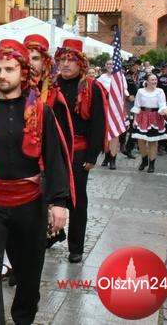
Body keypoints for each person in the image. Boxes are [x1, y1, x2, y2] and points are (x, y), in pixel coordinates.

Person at [0, 39, 71, 324]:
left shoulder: (40, 111)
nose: (2, 75)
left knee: (28, 272)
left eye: (9, 69)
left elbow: (54, 157)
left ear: (23, 72)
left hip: (30, 204)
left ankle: (24, 317)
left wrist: (59, 202)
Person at [53, 39, 106, 263]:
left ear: (80, 63)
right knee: (50, 196)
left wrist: (92, 155)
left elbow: (98, 122)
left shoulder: (91, 87)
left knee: (76, 199)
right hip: (53, 150)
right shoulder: (51, 84)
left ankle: (76, 246)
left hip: (78, 150)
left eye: (70, 60)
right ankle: (52, 234)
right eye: (62, 60)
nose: (65, 64)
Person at [23, 34, 75, 248]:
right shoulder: (9, 93)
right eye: (26, 57)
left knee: (36, 239)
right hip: (15, 174)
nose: (30, 62)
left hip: (43, 172)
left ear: (45, 63)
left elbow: (60, 147)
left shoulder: (54, 98)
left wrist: (58, 196)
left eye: (35, 58)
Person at [131, 73, 167, 173]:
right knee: (140, 140)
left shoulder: (160, 91)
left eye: (155, 79)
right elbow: (137, 105)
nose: (155, 81)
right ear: (147, 81)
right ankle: (144, 159)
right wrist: (135, 119)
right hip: (143, 116)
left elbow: (162, 104)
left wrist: (164, 111)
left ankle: (152, 164)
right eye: (152, 80)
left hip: (155, 117)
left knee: (153, 141)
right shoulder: (140, 91)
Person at [97, 59, 129, 170]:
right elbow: (97, 91)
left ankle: (113, 159)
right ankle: (107, 156)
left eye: (112, 64)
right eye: (108, 64)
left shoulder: (121, 76)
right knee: (106, 133)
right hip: (105, 106)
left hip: (116, 107)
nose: (111, 65)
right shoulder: (101, 78)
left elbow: (124, 90)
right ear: (105, 66)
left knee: (115, 134)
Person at [122, 58, 145, 159]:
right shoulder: (125, 76)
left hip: (142, 103)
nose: (133, 67)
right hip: (130, 104)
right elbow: (122, 89)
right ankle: (124, 146)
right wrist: (127, 96)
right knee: (130, 125)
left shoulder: (144, 75)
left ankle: (129, 148)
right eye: (131, 65)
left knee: (137, 126)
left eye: (135, 64)